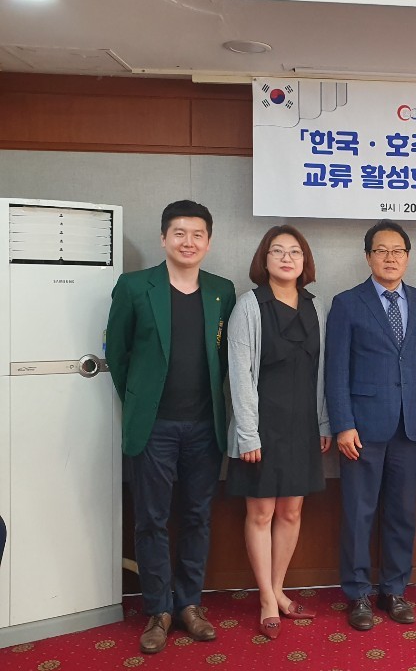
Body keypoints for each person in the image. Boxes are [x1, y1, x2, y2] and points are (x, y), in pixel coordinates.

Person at [106, 200, 236, 654]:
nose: (188, 242)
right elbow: (117, 354)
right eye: (179, 233)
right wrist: (139, 401)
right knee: (152, 520)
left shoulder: (221, 291)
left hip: (204, 426)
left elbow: (224, 358)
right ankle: (158, 610)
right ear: (163, 238)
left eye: (197, 234)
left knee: (198, 517)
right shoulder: (135, 287)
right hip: (154, 426)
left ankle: (189, 605)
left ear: (208, 242)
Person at [325, 220, 416, 631]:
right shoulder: (347, 303)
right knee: (359, 513)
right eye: (381, 250)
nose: (390, 258)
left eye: (398, 251)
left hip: (410, 426)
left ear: (408, 256)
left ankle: (394, 590)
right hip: (362, 429)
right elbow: (336, 369)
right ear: (368, 256)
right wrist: (343, 424)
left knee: (402, 513)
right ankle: (357, 594)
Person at [225, 225, 332, 639]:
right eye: (277, 251)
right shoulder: (249, 306)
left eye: (295, 252)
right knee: (261, 513)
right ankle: (267, 599)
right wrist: (247, 434)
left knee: (291, 512)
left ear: (305, 261)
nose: (287, 258)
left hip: (303, 424)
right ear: (264, 259)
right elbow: (239, 376)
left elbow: (320, 372)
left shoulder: (314, 306)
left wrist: (322, 422)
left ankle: (279, 589)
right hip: (262, 425)